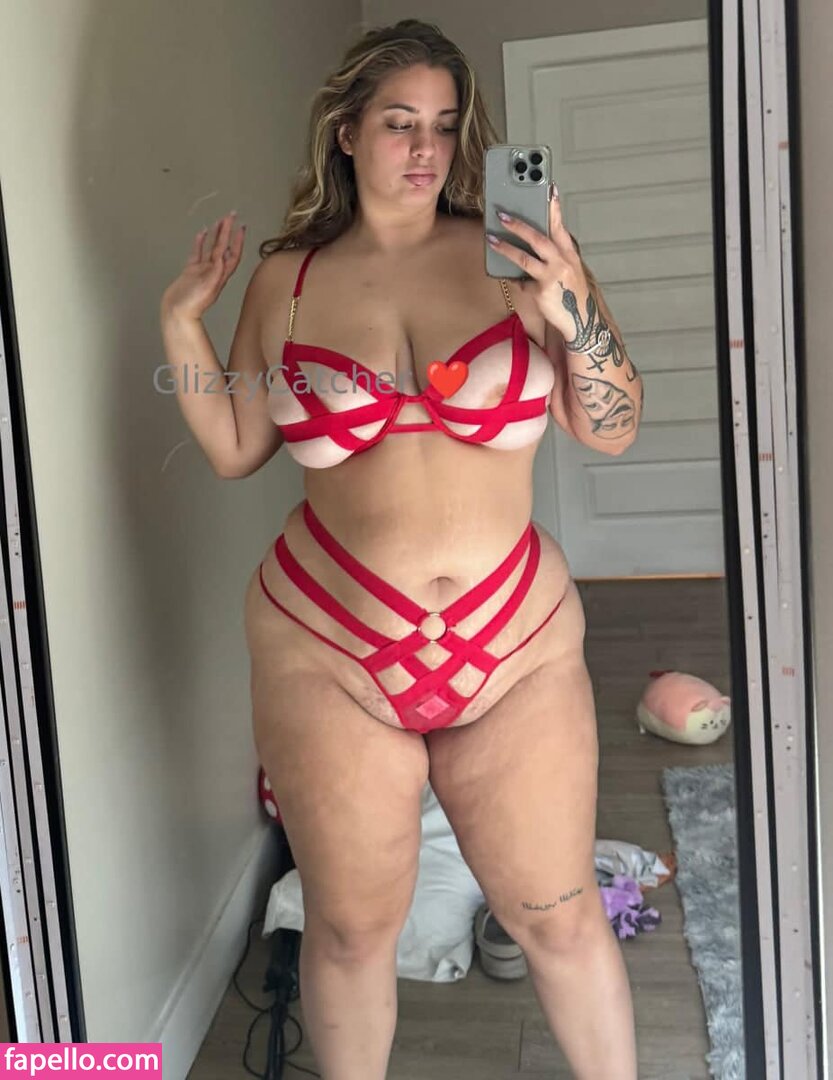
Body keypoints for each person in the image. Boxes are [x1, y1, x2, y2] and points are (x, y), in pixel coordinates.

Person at [160, 18, 643, 1080]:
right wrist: (182, 327)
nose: (426, 148)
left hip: (513, 642)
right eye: (397, 122)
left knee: (559, 918)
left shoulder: (518, 259)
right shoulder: (286, 282)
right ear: (345, 131)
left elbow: (608, 426)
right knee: (346, 931)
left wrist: (572, 310)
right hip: (326, 646)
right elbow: (238, 447)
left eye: (444, 124)